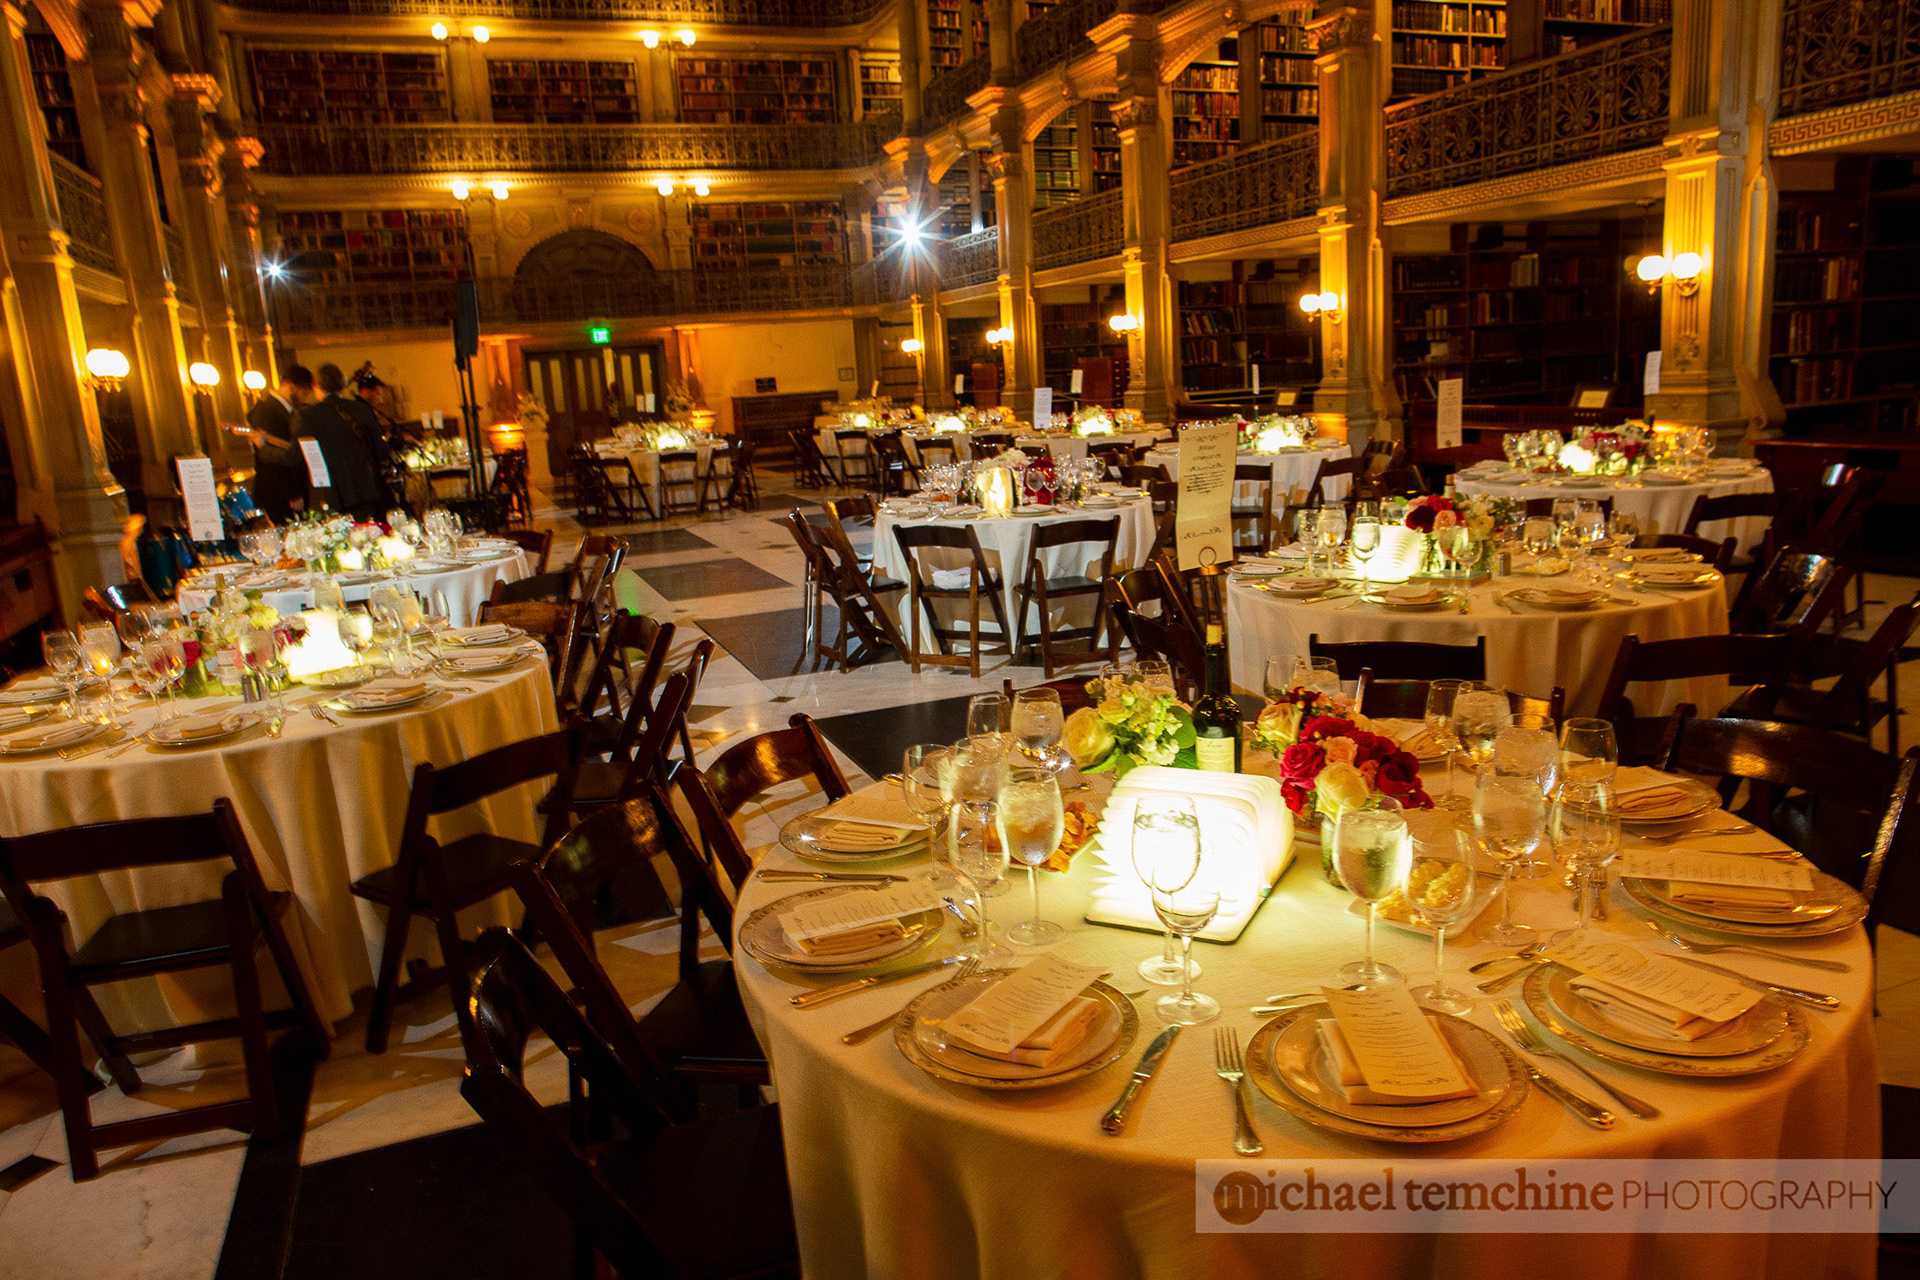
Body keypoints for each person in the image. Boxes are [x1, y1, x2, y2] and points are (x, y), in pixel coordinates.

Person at [297, 363, 384, 519]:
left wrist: (265, 448)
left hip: (330, 496)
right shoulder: (361, 409)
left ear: (315, 384)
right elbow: (381, 451)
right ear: (342, 383)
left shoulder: (309, 416)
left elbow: (295, 457)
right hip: (364, 491)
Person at [245, 368, 309, 523]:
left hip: (284, 491)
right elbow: (273, 456)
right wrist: (293, 493)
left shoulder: (283, 410)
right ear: (291, 386)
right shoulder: (268, 410)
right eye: (304, 392)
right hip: (277, 492)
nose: (304, 397)